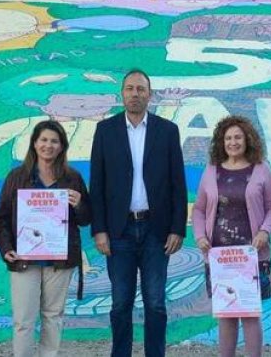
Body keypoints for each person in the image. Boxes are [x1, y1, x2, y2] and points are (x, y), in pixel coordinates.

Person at [89, 69, 187, 357]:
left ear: (150, 94)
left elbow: (177, 183)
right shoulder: (105, 130)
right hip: (118, 232)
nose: (135, 93)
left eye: (141, 89)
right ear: (122, 94)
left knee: (156, 303)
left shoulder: (167, 131)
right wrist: (100, 229)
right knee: (120, 303)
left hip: (157, 230)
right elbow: (97, 183)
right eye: (130, 88)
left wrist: (177, 228)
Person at [0, 120, 92, 357]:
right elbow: (0, 220)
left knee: (53, 316)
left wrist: (79, 205)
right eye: (44, 140)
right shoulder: (17, 177)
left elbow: (87, 218)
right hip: (24, 258)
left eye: (54, 141)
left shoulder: (72, 177)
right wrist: (6, 248)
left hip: (60, 259)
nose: (48, 145)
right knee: (23, 320)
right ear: (34, 144)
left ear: (62, 146)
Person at [192, 115, 271, 357]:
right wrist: (200, 237)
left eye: (237, 137)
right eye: (228, 138)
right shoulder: (211, 171)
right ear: (221, 142)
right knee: (226, 315)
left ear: (247, 140)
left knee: (250, 314)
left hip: (253, 254)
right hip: (220, 256)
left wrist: (265, 231)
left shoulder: (261, 169)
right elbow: (199, 209)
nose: (232, 142)